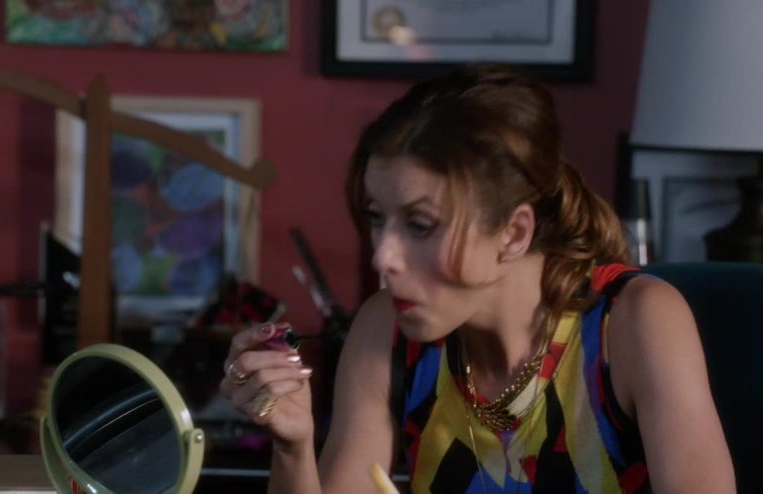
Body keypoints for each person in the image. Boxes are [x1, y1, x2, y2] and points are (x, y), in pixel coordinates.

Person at [220, 64, 734, 493]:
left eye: (420, 225)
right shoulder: (384, 330)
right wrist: (292, 446)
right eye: (378, 217)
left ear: (513, 233)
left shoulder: (634, 321)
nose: (383, 257)